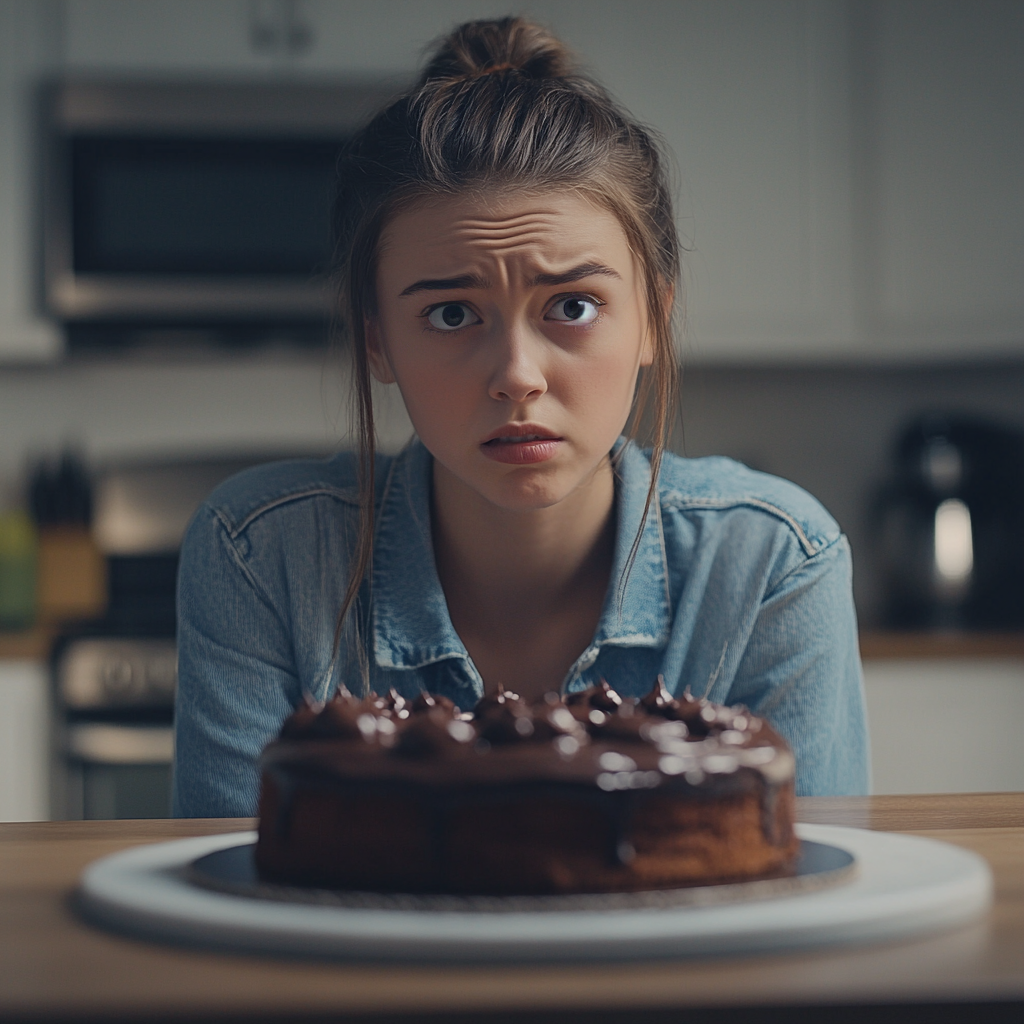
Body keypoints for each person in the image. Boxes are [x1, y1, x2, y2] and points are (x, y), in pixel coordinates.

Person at [172, 17, 869, 818]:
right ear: (378, 343)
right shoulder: (262, 557)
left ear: (652, 319)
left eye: (572, 305)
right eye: (450, 314)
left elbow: (803, 897)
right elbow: (234, 891)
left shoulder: (772, 565)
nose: (517, 376)